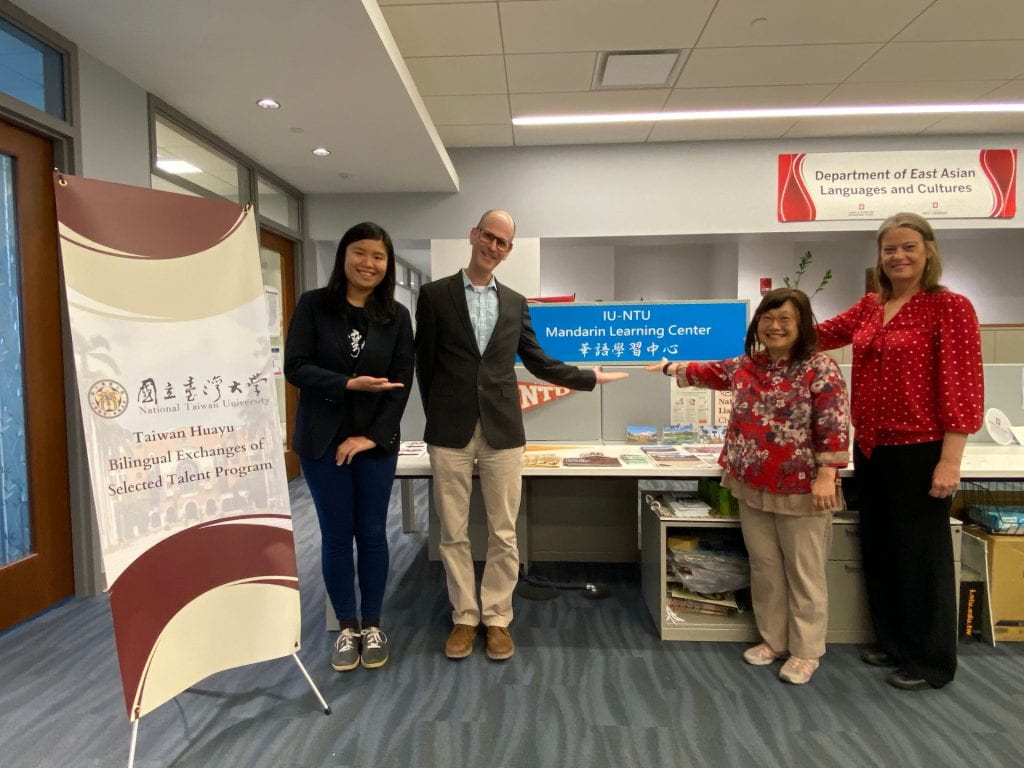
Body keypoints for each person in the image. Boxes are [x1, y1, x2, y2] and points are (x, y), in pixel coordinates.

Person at [415, 209, 627, 661]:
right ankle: (464, 616)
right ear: (474, 235)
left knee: (503, 531)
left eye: (502, 243)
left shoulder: (514, 302)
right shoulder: (434, 295)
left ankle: (496, 617)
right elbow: (425, 365)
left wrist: (587, 376)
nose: (493, 247)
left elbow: (536, 360)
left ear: (508, 251)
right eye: (488, 237)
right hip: (449, 431)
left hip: (503, 429)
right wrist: (438, 415)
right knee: (452, 532)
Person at [648, 287, 849, 685]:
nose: (775, 327)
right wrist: (670, 367)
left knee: (804, 571)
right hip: (750, 480)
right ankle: (774, 640)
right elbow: (707, 372)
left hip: (801, 485)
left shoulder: (820, 367)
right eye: (767, 319)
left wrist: (828, 474)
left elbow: (834, 424)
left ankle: (806, 651)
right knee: (765, 566)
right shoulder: (747, 365)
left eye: (785, 319)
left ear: (802, 324)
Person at [817, 212, 983, 691]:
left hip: (921, 449)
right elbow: (820, 335)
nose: (898, 256)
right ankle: (894, 642)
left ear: (928, 251)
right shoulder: (872, 306)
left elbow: (963, 387)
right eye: (889, 248)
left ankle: (930, 661)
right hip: (872, 446)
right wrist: (771, 327)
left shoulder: (948, 307)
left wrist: (950, 460)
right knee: (881, 549)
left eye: (908, 246)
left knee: (920, 556)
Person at [284, 222, 414, 672]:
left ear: (387, 265)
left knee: (373, 532)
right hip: (322, 441)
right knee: (337, 535)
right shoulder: (313, 305)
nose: (368, 263)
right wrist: (347, 383)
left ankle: (373, 624)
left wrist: (372, 436)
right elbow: (295, 367)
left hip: (375, 442)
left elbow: (401, 383)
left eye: (378, 256)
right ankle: (346, 626)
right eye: (360, 252)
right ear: (344, 255)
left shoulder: (396, 316)